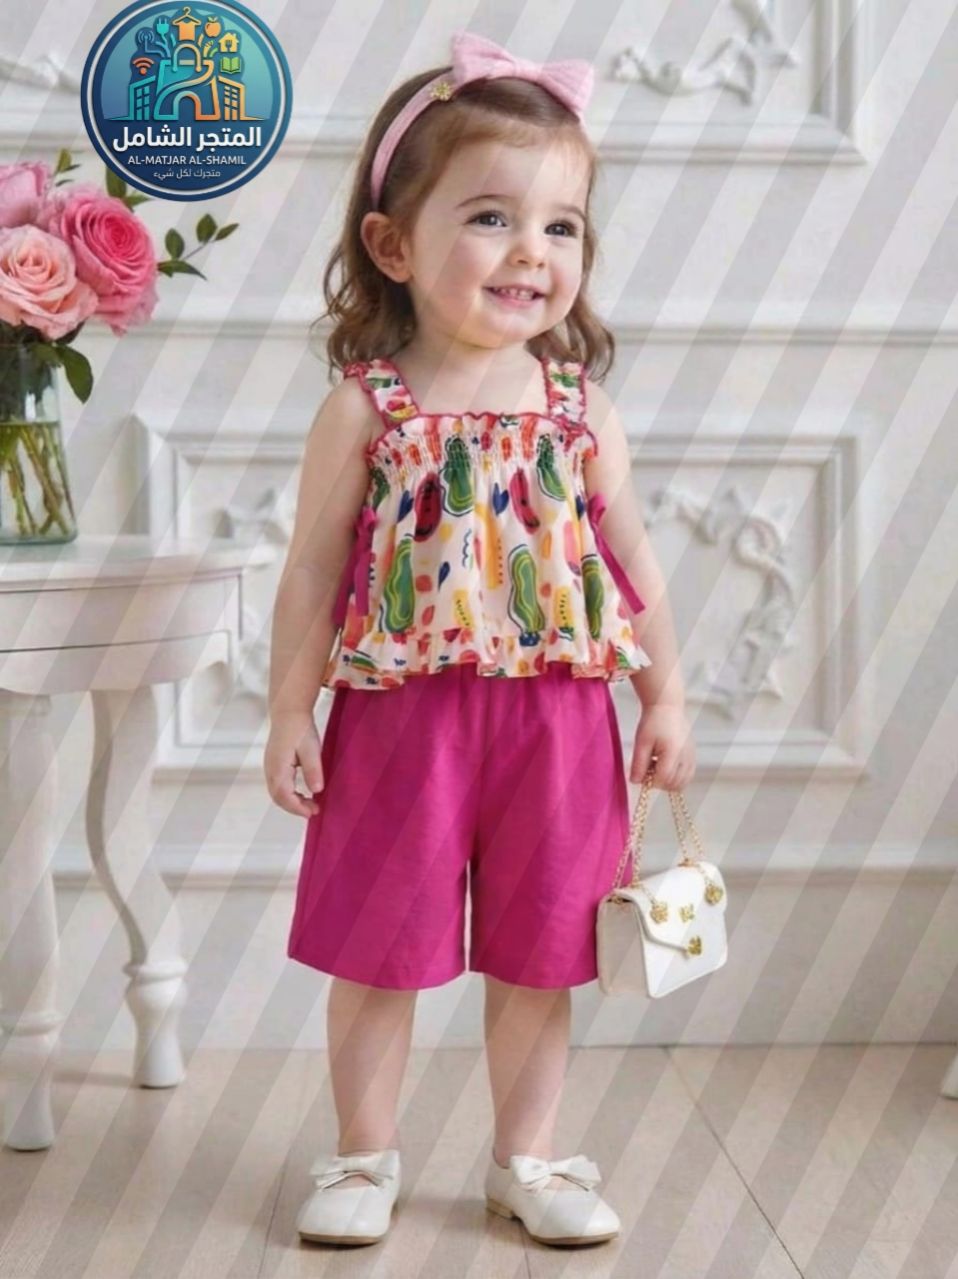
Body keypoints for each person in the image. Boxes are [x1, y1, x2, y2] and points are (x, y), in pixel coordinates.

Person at [264, 29, 696, 1251]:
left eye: (561, 226)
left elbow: (633, 562)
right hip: (399, 717)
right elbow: (312, 571)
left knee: (544, 950)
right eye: (492, 217)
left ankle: (528, 1157)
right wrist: (289, 708)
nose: (531, 252)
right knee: (378, 947)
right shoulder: (366, 407)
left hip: (559, 720)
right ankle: (362, 1155)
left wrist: (666, 695)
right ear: (393, 243)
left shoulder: (579, 410)